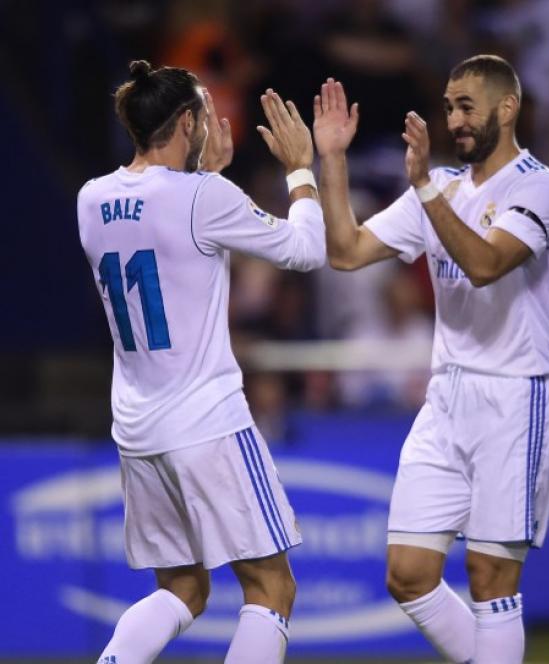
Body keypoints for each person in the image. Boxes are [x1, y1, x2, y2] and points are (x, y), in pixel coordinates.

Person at [312, 55, 549, 663]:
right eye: (449, 106)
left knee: (490, 579)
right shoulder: (443, 186)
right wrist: (332, 159)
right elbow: (346, 251)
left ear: (507, 109)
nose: (454, 118)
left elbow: (485, 265)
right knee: (407, 574)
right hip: (447, 394)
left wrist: (425, 187)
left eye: (466, 106)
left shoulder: (540, 186)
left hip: (516, 394)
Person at [77, 60, 326, 664]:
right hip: (206, 424)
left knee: (184, 589)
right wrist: (300, 169)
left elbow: (167, 231)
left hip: (138, 431)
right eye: (206, 114)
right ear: (187, 121)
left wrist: (207, 175)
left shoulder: (91, 198)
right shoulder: (203, 197)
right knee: (272, 587)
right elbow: (307, 249)